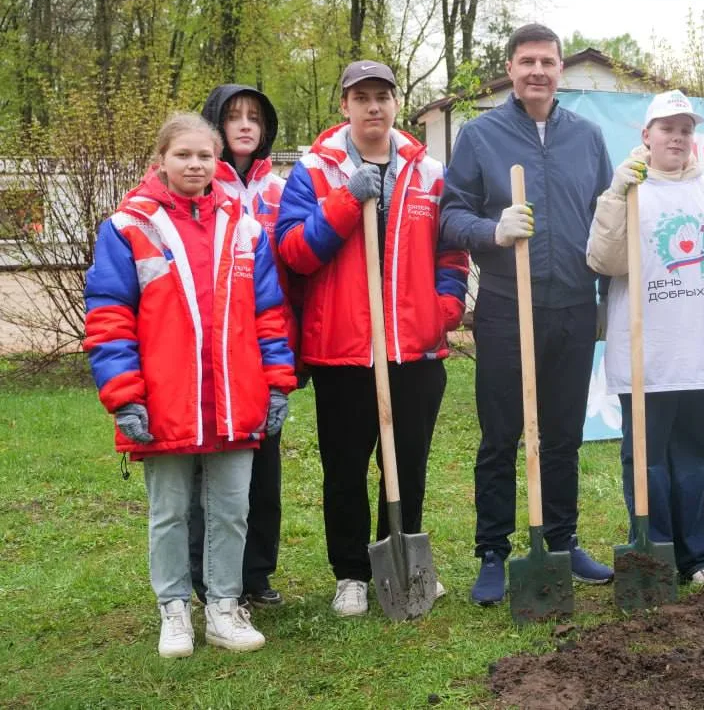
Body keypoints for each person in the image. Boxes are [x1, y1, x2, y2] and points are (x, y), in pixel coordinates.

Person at [84, 112, 295, 657]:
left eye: (205, 155)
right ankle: (174, 609)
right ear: (160, 160)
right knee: (170, 512)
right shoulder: (129, 226)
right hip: (163, 402)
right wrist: (124, 396)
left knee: (232, 509)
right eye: (183, 155)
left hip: (233, 399)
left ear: (217, 161)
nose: (195, 164)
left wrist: (276, 385)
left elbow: (269, 314)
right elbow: (110, 316)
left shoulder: (244, 226)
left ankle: (224, 607)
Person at [277, 60, 468, 616]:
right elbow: (294, 251)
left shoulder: (427, 170)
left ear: (394, 103)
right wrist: (344, 202)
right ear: (345, 106)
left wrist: (444, 308)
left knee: (406, 462)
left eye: (382, 96)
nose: (374, 107)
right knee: (343, 467)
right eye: (361, 97)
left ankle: (405, 555)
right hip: (343, 350)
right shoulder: (315, 171)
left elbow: (451, 251)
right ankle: (352, 574)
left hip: (413, 348)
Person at [440, 23, 616, 605]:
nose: (537, 70)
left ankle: (562, 540)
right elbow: (449, 216)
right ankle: (493, 550)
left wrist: (609, 288)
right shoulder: (480, 135)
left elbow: (607, 218)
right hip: (505, 308)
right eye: (527, 61)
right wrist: (493, 230)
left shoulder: (587, 138)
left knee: (564, 433)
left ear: (560, 69)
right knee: (501, 434)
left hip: (572, 305)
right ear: (510, 69)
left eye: (547, 61)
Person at [586, 90, 704, 584]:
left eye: (686, 129)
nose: (678, 137)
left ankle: (698, 556)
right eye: (667, 128)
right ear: (647, 135)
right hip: (647, 355)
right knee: (646, 460)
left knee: (699, 458)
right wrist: (617, 194)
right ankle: (654, 550)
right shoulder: (626, 191)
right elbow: (604, 261)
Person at [187, 84, 295, 609]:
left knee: (264, 466)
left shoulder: (281, 189)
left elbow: (292, 261)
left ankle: (255, 574)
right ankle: (205, 575)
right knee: (210, 470)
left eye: (255, 116)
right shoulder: (203, 182)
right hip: (212, 350)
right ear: (217, 125)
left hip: (266, 347)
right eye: (234, 117)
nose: (246, 125)